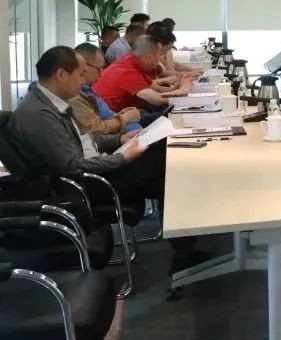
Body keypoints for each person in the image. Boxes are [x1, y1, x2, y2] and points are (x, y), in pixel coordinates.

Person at [11, 46, 198, 271]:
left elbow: (85, 141)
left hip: (98, 169)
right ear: (61, 74)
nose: (84, 82)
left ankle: (185, 255)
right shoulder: (40, 115)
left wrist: (120, 140)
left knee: (166, 177)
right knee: (165, 156)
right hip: (87, 185)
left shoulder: (51, 102)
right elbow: (73, 165)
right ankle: (186, 252)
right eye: (80, 75)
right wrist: (122, 157)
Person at [94, 35, 191, 111]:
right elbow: (156, 99)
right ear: (149, 57)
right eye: (159, 55)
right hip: (112, 117)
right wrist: (183, 90)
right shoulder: (128, 71)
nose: (159, 60)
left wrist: (176, 88)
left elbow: (156, 88)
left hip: (124, 111)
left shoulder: (133, 60)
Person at [71, 42, 142, 135]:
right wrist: (125, 118)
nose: (101, 74)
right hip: (118, 136)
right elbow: (95, 129)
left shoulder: (88, 88)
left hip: (123, 127)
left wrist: (120, 115)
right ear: (84, 66)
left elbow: (104, 115)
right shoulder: (73, 94)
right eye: (98, 69)